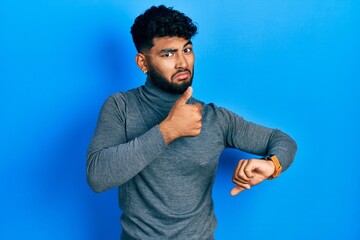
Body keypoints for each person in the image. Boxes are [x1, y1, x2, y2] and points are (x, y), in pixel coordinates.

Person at [86, 5, 297, 240]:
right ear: (142, 62)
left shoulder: (213, 117)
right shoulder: (120, 107)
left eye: (187, 50)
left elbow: (282, 141)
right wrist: (167, 131)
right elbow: (97, 177)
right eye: (168, 54)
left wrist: (271, 166)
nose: (182, 62)